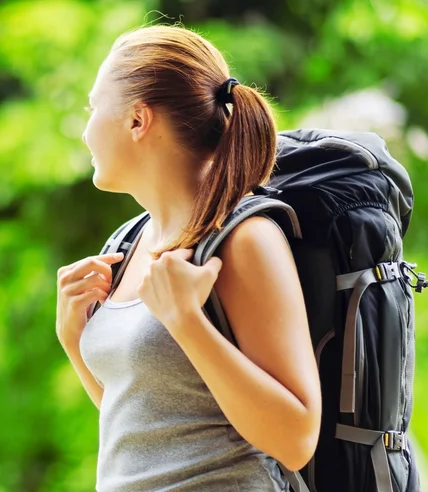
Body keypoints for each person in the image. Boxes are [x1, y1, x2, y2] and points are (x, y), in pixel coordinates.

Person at [56, 23, 322, 491]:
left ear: (138, 120)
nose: (85, 130)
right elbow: (153, 422)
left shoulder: (244, 240)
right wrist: (74, 341)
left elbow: (296, 438)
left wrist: (186, 321)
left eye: (93, 108)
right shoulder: (128, 242)